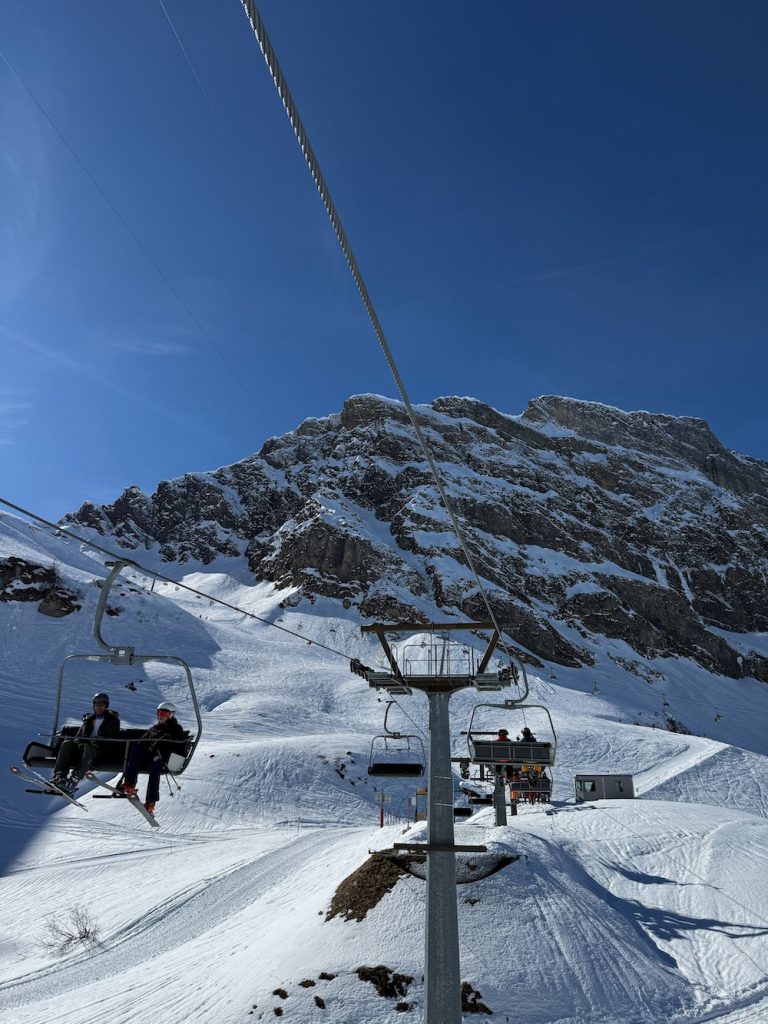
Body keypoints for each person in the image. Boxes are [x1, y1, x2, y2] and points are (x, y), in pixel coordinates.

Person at [119, 702, 187, 814]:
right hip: (150, 755)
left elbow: (177, 743)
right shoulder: (155, 728)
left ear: (171, 715)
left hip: (162, 758)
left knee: (155, 767)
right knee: (136, 750)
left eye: (164, 713)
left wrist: (162, 742)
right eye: (159, 712)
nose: (160, 715)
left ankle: (151, 801)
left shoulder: (176, 729)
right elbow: (143, 740)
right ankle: (130, 783)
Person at [51, 692, 121, 795]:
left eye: (101, 705)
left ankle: (73, 781)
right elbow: (79, 735)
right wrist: (77, 741)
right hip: (84, 747)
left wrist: (95, 739)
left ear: (106, 706)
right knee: (67, 744)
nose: (99, 708)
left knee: (89, 747)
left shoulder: (113, 720)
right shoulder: (89, 719)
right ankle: (59, 777)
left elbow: (111, 738)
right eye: (96, 705)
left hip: (101, 750)